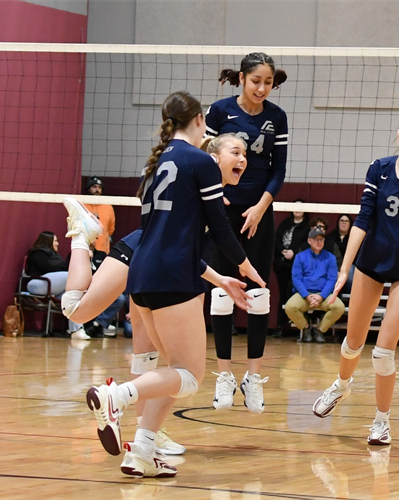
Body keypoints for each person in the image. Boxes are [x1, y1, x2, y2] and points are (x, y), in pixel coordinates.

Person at [83, 91, 264, 478]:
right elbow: (219, 227)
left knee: (171, 370)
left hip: (143, 275)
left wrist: (219, 278)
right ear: (199, 120)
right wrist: (245, 265)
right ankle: (115, 396)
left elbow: (161, 236)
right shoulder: (200, 161)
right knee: (189, 376)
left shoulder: (154, 165)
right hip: (173, 278)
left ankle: (142, 453)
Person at [312, 100, 399, 446]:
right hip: (371, 262)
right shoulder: (379, 168)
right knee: (353, 342)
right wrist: (344, 269)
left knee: (383, 352)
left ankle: (382, 422)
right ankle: (341, 384)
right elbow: (363, 219)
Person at [205, 52, 289, 413]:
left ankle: (252, 377)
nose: (262, 88)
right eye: (256, 81)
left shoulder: (277, 117)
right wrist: (216, 194)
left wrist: (261, 206)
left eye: (268, 82)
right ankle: (224, 375)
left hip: (259, 212)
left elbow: (279, 169)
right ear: (242, 78)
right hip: (222, 211)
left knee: (259, 293)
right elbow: (205, 155)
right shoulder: (219, 111)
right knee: (223, 290)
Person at [286, 227, 345, 343]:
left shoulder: (330, 257)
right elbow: (296, 279)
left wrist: (321, 296)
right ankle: (306, 328)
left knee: (339, 307)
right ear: (309, 241)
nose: (319, 242)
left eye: (321, 240)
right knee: (290, 307)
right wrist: (307, 296)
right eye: (316, 239)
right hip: (305, 295)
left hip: (323, 295)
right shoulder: (300, 257)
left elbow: (332, 279)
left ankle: (320, 330)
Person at [26, 231, 87, 339]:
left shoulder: (54, 256)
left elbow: (61, 268)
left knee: (72, 296)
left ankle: (76, 330)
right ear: (48, 241)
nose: (58, 243)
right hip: (37, 283)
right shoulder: (38, 253)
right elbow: (48, 268)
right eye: (55, 241)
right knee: (72, 275)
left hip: (52, 284)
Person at [273, 201, 310, 339]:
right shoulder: (285, 224)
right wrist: (283, 250)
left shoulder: (307, 227)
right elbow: (277, 240)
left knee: (297, 293)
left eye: (301, 206)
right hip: (282, 265)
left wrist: (293, 252)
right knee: (283, 295)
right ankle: (279, 327)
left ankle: (302, 327)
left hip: (298, 266)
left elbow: (306, 244)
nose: (297, 209)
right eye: (295, 206)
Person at [83, 175, 116, 268]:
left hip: (103, 250)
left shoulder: (108, 207)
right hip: (85, 248)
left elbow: (111, 230)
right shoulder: (82, 205)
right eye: (94, 187)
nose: (97, 189)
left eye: (99, 187)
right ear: (88, 189)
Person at [327, 214, 355, 294]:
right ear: (338, 223)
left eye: (346, 221)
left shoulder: (353, 237)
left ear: (350, 224)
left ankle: (348, 295)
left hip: (350, 265)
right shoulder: (331, 237)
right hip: (334, 264)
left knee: (349, 272)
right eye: (342, 221)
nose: (344, 223)